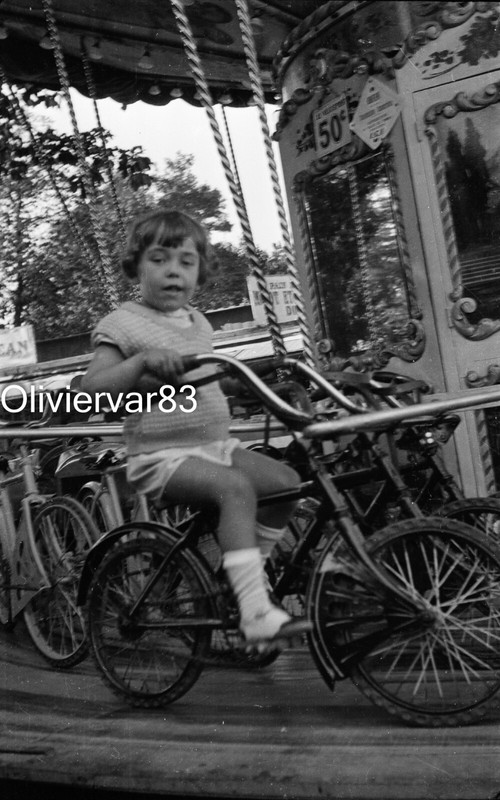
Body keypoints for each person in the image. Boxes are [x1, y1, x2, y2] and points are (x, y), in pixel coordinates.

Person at [81, 208, 311, 648]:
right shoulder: (122, 324)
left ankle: (241, 579)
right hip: (160, 456)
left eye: (186, 262)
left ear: (200, 271)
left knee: (287, 483)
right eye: (160, 259)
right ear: (137, 265)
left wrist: (235, 384)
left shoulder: (198, 322)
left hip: (215, 445)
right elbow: (92, 390)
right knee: (236, 489)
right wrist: (140, 362)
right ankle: (255, 611)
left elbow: (199, 379)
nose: (173, 272)